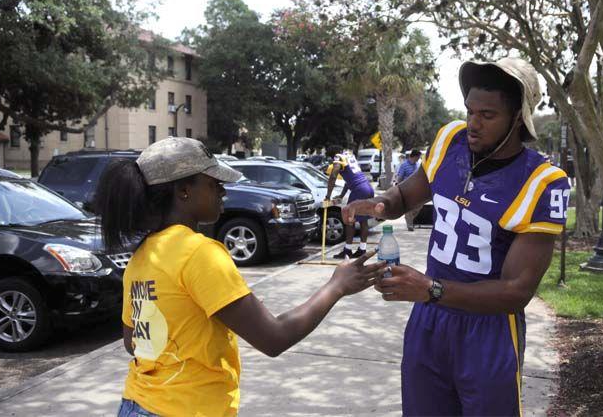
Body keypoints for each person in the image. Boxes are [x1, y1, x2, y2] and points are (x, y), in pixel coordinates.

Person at [94, 137, 385, 417]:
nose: (223, 191)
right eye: (214, 183)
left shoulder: (141, 256)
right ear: (184, 191)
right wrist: (336, 286)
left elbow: (134, 341)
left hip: (136, 404)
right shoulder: (199, 253)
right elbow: (274, 338)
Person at [342, 58, 570, 416]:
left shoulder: (543, 181)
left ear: (517, 120)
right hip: (430, 320)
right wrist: (381, 203)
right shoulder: (451, 140)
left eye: (487, 115)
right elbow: (407, 195)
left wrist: (431, 289)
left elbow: (515, 292)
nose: (473, 123)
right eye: (469, 111)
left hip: (488, 329)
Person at [325, 145, 375, 259]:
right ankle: (362, 249)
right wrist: (342, 195)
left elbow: (333, 176)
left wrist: (328, 196)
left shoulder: (337, 158)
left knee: (349, 219)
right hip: (368, 187)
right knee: (363, 221)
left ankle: (347, 251)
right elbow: (349, 180)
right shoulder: (349, 156)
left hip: (359, 190)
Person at [395, 149, 422, 231]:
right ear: (414, 156)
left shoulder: (417, 164)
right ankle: (410, 224)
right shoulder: (404, 165)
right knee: (409, 207)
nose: (419, 159)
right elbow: (400, 177)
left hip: (416, 189)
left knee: (419, 206)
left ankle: (408, 216)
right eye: (418, 157)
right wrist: (398, 188)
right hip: (407, 189)